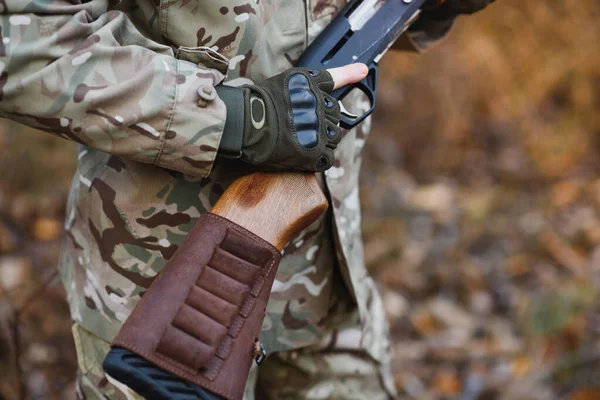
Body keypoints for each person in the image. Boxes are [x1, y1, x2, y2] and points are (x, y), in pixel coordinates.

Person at [0, 0, 494, 398]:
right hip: (164, 293)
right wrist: (237, 118)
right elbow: (23, 47)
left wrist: (435, 9)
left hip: (331, 294)